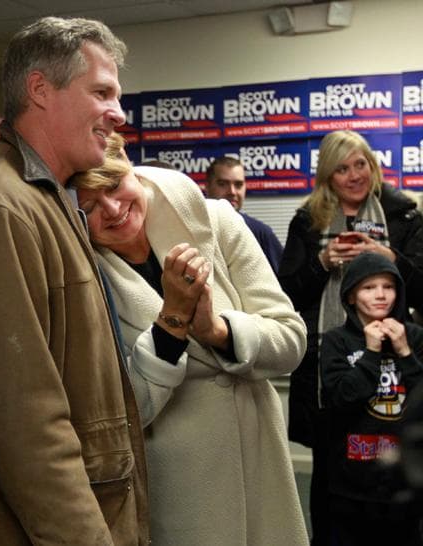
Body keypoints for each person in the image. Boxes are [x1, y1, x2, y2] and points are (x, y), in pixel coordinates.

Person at [0, 17, 149, 545]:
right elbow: (23, 428)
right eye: (102, 92)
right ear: (40, 90)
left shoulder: (47, 199)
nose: (118, 114)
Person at [70, 133, 309, 545]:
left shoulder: (215, 218)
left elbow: (291, 340)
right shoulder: (83, 272)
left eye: (113, 186)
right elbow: (125, 413)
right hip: (182, 495)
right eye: (88, 206)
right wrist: (173, 321)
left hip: (260, 474)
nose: (111, 209)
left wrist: (216, 332)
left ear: (130, 167)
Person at [278, 129, 423, 545]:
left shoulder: (405, 214)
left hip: (395, 365)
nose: (354, 175)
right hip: (328, 363)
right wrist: (323, 262)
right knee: (330, 480)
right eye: (342, 169)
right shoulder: (309, 219)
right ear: (328, 176)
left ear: (373, 166)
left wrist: (390, 259)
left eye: (360, 164)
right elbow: (287, 293)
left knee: (396, 473)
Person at [320, 252, 423, 545]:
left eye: (388, 286)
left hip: (405, 478)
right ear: (351, 297)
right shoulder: (336, 340)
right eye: (368, 287)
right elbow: (342, 396)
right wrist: (372, 352)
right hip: (351, 478)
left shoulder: (415, 337)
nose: (380, 295)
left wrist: (404, 352)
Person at [205, 156, 283, 272]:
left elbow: (282, 283)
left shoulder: (261, 233)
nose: (232, 192)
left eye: (238, 185)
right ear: (207, 187)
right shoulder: (193, 229)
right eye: (222, 184)